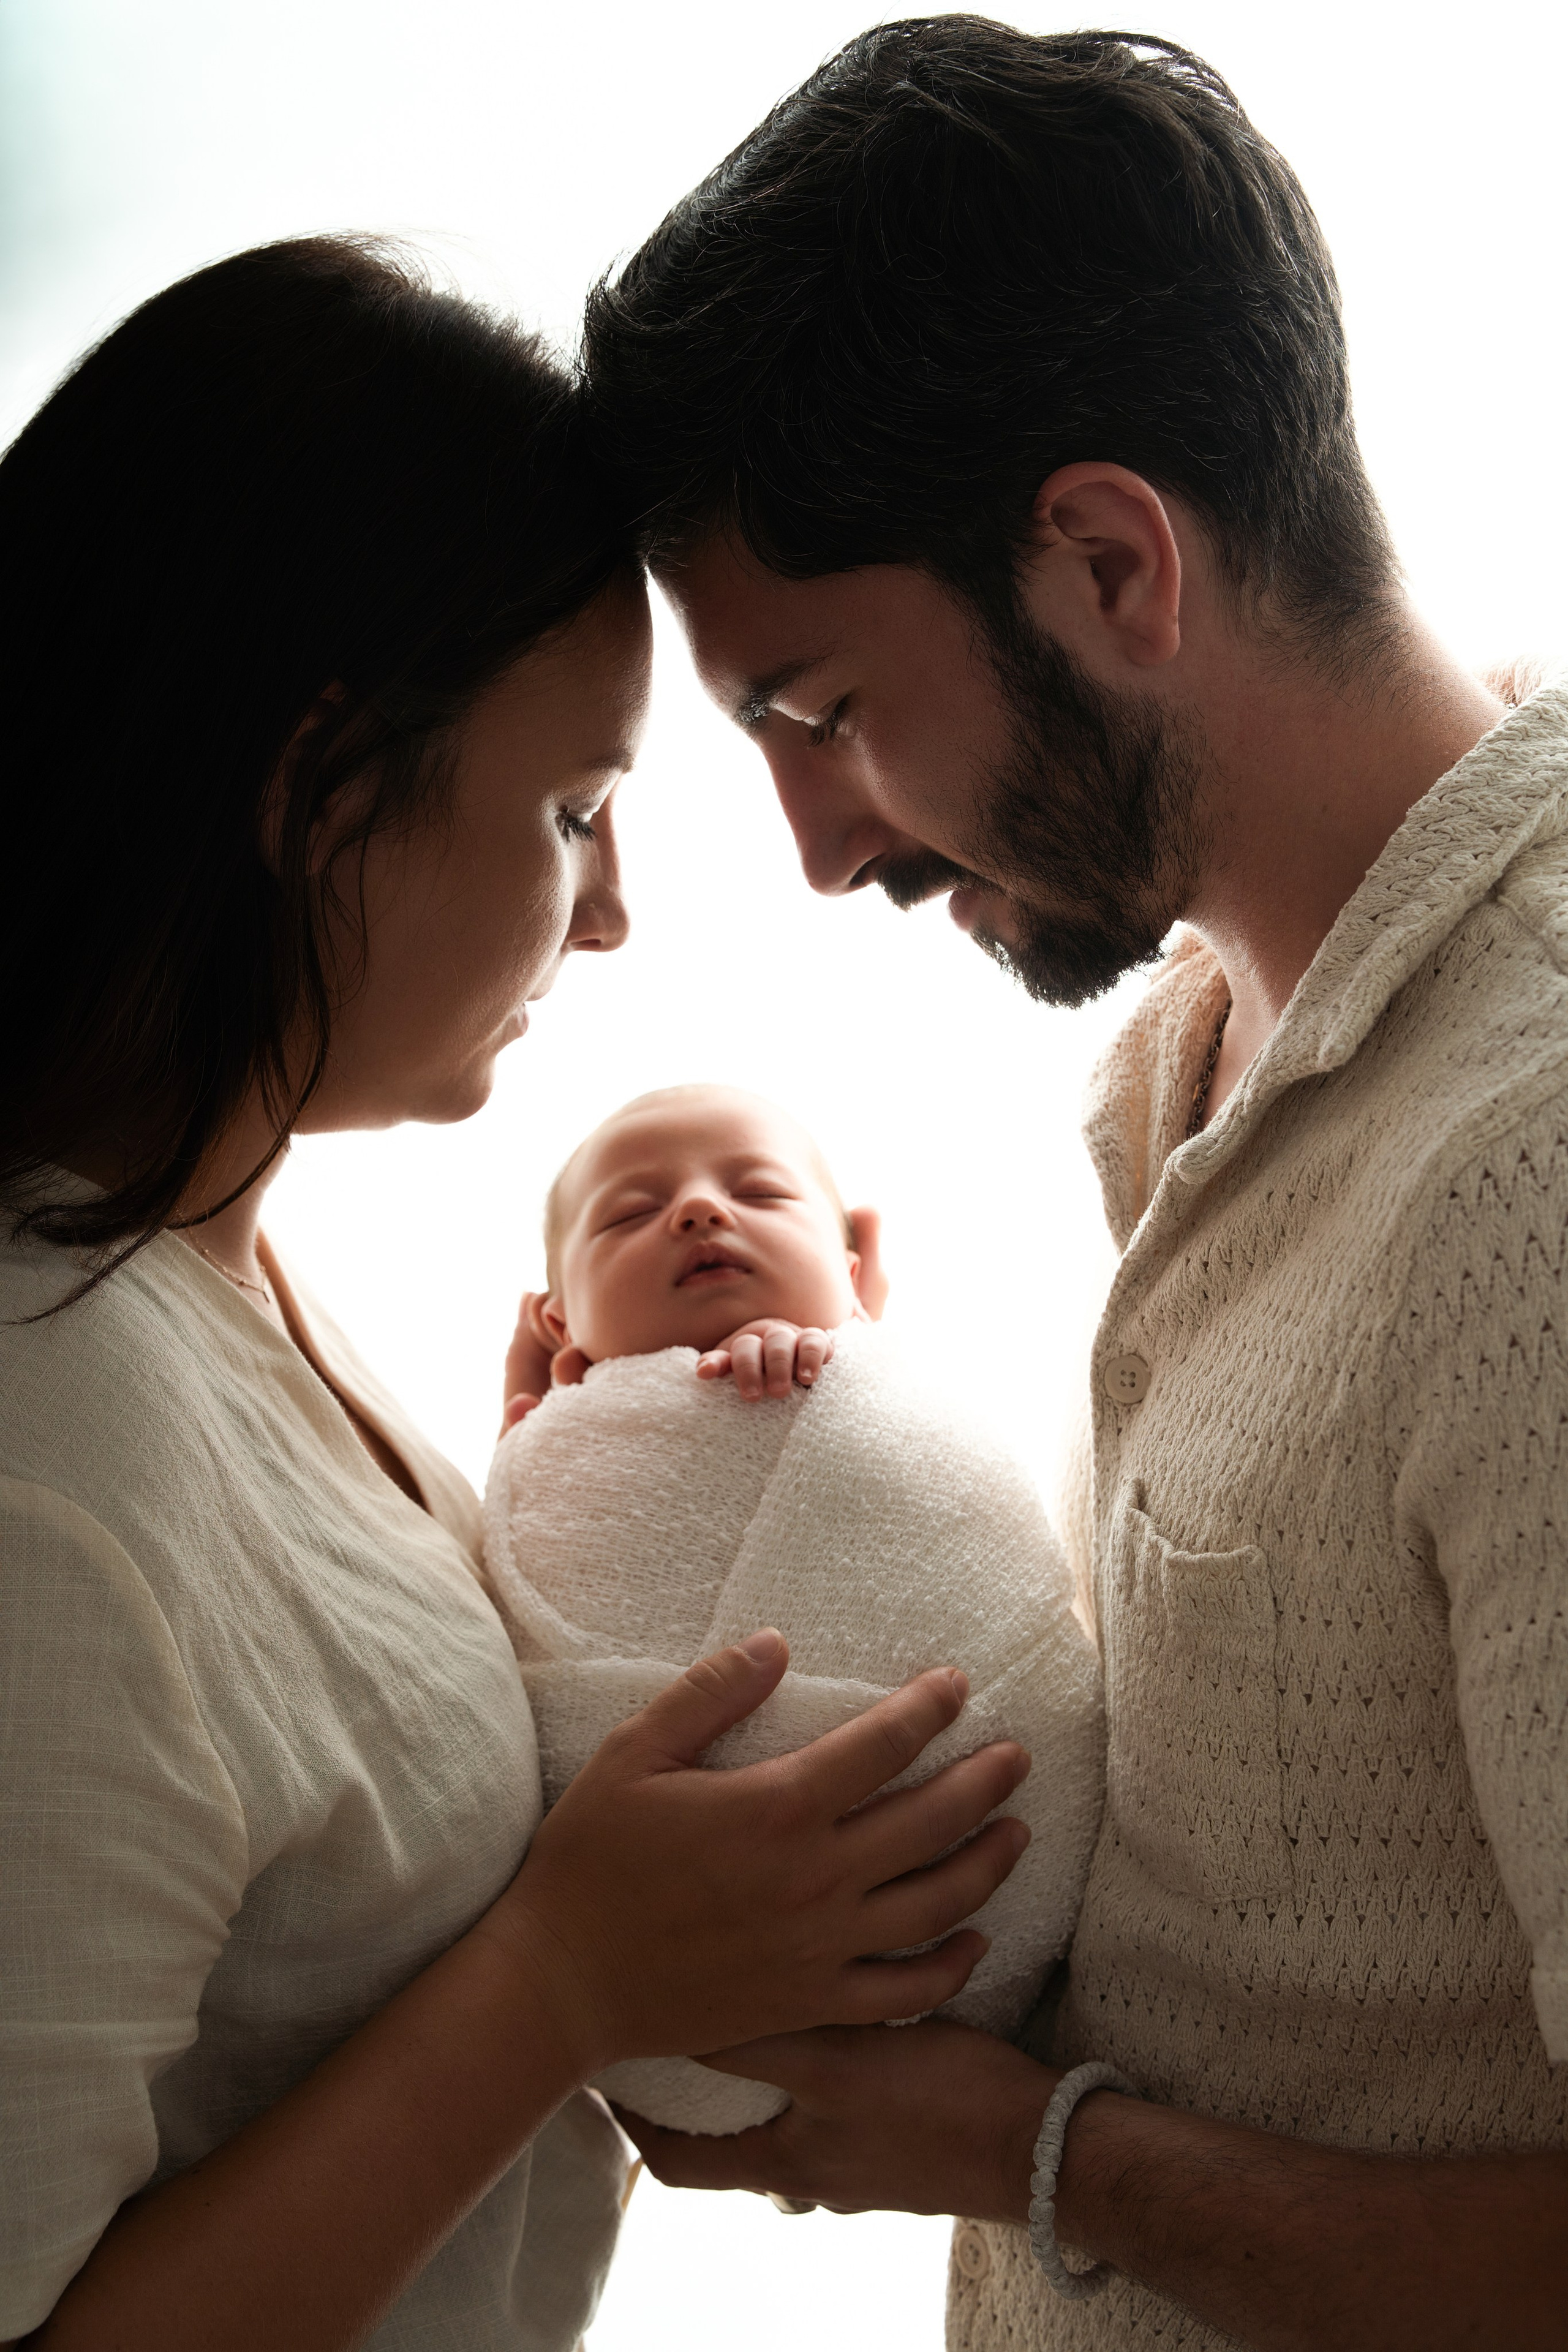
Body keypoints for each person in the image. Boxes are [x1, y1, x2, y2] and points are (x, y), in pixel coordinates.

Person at [580, 19, 1568, 2348]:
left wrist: (1004, 2150)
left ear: (1113, 562)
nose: (818, 849)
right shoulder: (1206, 1067)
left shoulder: (1531, 1180)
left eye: (817, 714)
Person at [0, 236, 1035, 2352]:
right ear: (315, 798)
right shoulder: (42, 1456)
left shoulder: (218, 1257)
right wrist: (570, 1982)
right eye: (575, 810)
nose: (620, 912)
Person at [482, 1082, 1104, 2134]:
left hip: (971, 1871)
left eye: (759, 1192)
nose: (697, 1211)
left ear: (855, 1273)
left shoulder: (858, 1379)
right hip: (647, 1945)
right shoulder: (561, 1437)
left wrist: (823, 1361)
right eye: (631, 1214)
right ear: (559, 1323)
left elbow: (957, 1526)